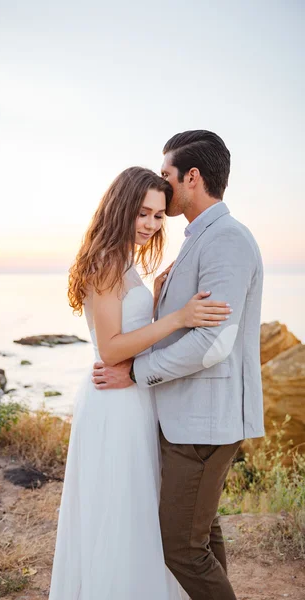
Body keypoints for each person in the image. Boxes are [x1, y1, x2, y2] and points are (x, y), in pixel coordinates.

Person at [92, 131, 265, 600]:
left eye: (167, 175)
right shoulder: (199, 238)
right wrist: (165, 296)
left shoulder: (225, 239)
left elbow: (212, 344)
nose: (163, 187)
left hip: (203, 423)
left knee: (183, 550)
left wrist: (135, 373)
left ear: (192, 176)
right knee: (201, 535)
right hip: (188, 418)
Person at [49, 165, 231, 600]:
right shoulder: (105, 262)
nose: (151, 224)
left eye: (157, 216)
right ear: (121, 208)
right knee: (121, 511)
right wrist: (177, 317)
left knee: (141, 508)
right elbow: (111, 349)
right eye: (143, 213)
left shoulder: (124, 261)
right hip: (115, 402)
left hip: (133, 397)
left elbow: (125, 333)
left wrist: (152, 300)